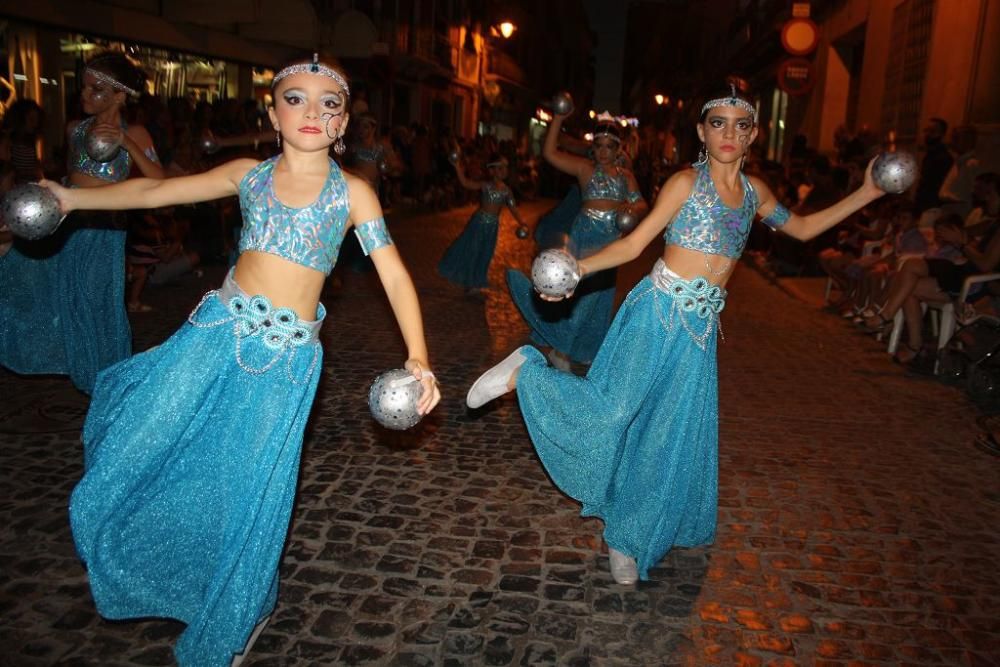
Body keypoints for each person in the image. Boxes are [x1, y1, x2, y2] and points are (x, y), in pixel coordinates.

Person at [41, 54, 441, 666]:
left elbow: (393, 273)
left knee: (253, 485)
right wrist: (69, 197)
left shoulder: (353, 193)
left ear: (341, 125)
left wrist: (419, 357)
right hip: (215, 333)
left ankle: (237, 611)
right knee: (149, 432)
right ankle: (152, 552)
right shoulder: (247, 175)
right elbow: (155, 188)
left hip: (285, 362)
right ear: (272, 112)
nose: (312, 112)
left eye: (327, 104)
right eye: (296, 99)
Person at [465, 83, 886, 585]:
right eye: (718, 123)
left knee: (665, 435)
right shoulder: (686, 183)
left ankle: (627, 537)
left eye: (741, 124)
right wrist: (577, 269)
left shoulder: (756, 195)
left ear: (753, 135)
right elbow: (634, 244)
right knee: (615, 408)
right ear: (702, 132)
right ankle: (527, 371)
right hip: (656, 312)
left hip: (700, 330)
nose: (729, 133)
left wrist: (869, 191)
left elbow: (804, 229)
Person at [0, 51, 164, 393]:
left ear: (119, 95)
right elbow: (72, 174)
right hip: (70, 224)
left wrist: (127, 144)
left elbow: (159, 179)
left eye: (96, 89)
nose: (85, 95)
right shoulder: (75, 129)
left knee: (98, 305)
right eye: (85, 88)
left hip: (105, 232)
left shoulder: (135, 132)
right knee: (54, 290)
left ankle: (107, 388)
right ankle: (88, 377)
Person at [506, 114, 647, 371]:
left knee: (601, 296)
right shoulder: (585, 168)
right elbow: (549, 153)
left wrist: (632, 208)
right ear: (593, 148)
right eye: (599, 145)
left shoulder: (626, 176)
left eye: (609, 145)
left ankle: (586, 349)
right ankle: (561, 350)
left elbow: (641, 202)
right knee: (582, 294)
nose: (603, 151)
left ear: (618, 149)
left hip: (612, 237)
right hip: (586, 233)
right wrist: (558, 118)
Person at [863, 172, 1000, 364]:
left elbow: (986, 264)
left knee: (910, 271)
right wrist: (952, 233)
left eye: (991, 195)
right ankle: (911, 343)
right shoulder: (992, 222)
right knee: (908, 285)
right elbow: (967, 233)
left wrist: (961, 243)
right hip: (962, 273)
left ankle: (887, 318)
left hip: (973, 281)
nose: (986, 199)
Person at [438, 153, 527, 295]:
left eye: (506, 167)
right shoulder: (486, 186)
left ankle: (476, 282)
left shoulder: (506, 191)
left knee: (485, 252)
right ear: (493, 170)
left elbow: (513, 208)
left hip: (492, 226)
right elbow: (466, 183)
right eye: (501, 167)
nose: (504, 170)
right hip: (478, 223)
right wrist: (457, 167)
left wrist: (522, 222)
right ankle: (469, 281)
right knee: (472, 250)